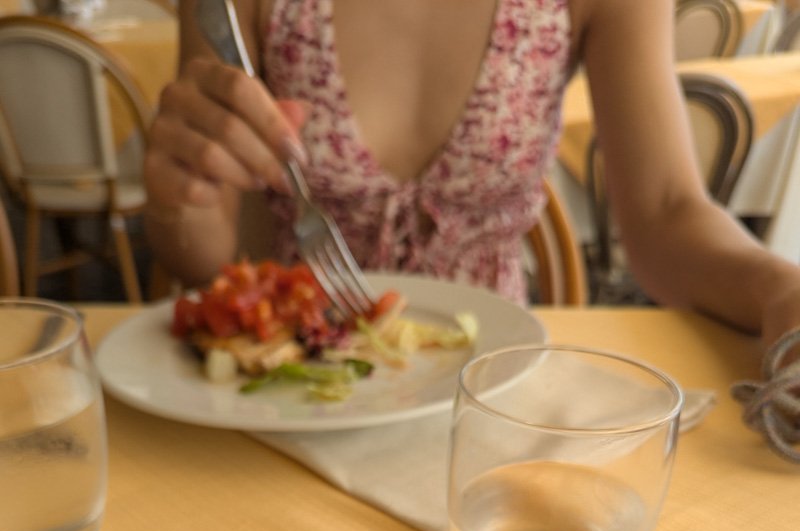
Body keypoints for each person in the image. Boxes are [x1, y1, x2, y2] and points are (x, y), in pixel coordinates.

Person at [143, 0, 800, 351]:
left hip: (492, 387)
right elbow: (201, 258)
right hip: (291, 375)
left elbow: (665, 211)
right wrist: (182, 199)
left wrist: (780, 292)